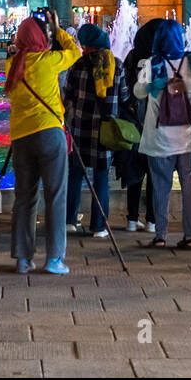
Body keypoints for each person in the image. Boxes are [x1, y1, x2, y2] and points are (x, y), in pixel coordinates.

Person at [5, 10, 80, 274]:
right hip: (49, 133)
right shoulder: (50, 60)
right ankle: (55, 259)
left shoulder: (11, 65)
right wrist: (58, 29)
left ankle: (23, 259)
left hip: (21, 138)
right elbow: (76, 50)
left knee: (25, 198)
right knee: (55, 196)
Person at [135, 19, 191, 249]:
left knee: (160, 186)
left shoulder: (152, 63)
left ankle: (161, 236)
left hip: (160, 139)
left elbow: (138, 93)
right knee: (190, 186)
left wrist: (152, 86)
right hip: (188, 136)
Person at [62, 22, 126, 238]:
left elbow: (68, 96)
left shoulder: (78, 65)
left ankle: (70, 220)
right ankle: (98, 226)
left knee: (75, 176)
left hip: (81, 130)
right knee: (101, 178)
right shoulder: (117, 65)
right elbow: (125, 96)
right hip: (106, 131)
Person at [118, 18, 162, 232]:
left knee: (135, 173)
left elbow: (125, 90)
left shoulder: (132, 56)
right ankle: (152, 221)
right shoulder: (163, 60)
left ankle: (132, 220)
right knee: (154, 173)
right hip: (156, 124)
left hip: (135, 122)